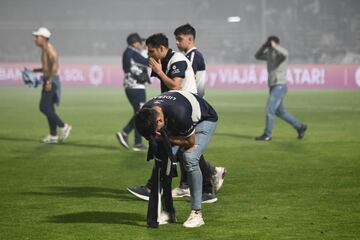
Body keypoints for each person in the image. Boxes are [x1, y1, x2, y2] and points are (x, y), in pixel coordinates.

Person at [127, 33, 224, 203]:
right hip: (172, 108)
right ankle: (205, 184)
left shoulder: (176, 59)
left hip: (185, 109)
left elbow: (175, 85)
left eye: (151, 51)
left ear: (161, 48)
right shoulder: (162, 61)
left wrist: (158, 71)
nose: (149, 55)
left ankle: (157, 188)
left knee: (181, 147)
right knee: (181, 149)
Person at [135, 90, 218, 228]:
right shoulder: (146, 113)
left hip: (205, 118)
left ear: (160, 121)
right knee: (163, 161)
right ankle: (168, 212)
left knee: (189, 158)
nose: (153, 137)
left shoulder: (179, 113)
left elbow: (190, 142)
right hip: (176, 120)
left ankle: (197, 214)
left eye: (154, 133)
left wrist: (164, 138)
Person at [172, 23, 226, 200]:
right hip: (191, 104)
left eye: (180, 39)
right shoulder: (187, 56)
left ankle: (207, 183)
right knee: (186, 146)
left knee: (187, 145)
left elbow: (187, 83)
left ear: (190, 38)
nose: (177, 43)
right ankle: (187, 184)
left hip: (194, 106)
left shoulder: (193, 56)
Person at [254, 35, 307, 141]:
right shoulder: (268, 53)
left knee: (270, 109)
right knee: (280, 112)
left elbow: (284, 54)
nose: (269, 44)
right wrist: (263, 46)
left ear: (275, 43)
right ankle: (300, 126)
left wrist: (275, 47)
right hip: (273, 85)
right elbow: (257, 56)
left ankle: (267, 134)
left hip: (280, 85)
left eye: (270, 42)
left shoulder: (281, 52)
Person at [32, 27, 71, 144]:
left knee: (43, 107)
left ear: (43, 38)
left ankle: (64, 126)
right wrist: (34, 70)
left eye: (37, 37)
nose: (35, 39)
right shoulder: (44, 49)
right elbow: (46, 68)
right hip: (49, 79)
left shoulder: (50, 50)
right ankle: (53, 135)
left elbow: (55, 66)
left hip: (51, 81)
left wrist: (49, 81)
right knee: (49, 108)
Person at [116, 33, 150, 151]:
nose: (141, 44)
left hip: (132, 86)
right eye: (140, 42)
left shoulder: (128, 53)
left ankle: (138, 142)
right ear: (135, 43)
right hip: (135, 87)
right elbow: (147, 62)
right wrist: (146, 52)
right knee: (141, 114)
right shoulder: (132, 53)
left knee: (139, 113)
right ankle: (125, 133)